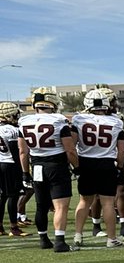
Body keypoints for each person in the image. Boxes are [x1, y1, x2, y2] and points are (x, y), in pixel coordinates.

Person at [17, 88, 77, 251]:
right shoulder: (58, 120)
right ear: (53, 102)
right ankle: (59, 241)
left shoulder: (24, 121)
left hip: (36, 165)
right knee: (60, 206)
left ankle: (43, 239)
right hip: (56, 165)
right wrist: (77, 167)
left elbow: (23, 152)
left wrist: (25, 173)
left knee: (41, 206)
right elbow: (70, 150)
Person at [70, 88, 124, 249]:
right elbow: (122, 151)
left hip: (86, 162)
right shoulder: (116, 122)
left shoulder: (78, 120)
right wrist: (120, 167)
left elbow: (72, 146)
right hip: (106, 163)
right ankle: (111, 239)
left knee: (84, 201)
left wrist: (76, 166)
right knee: (108, 203)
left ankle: (78, 235)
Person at [0, 102, 27, 237]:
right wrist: (23, 171)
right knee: (12, 196)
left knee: (3, 196)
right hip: (11, 164)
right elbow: (17, 152)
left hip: (1, 163)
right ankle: (14, 227)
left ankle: (0, 227)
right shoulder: (13, 130)